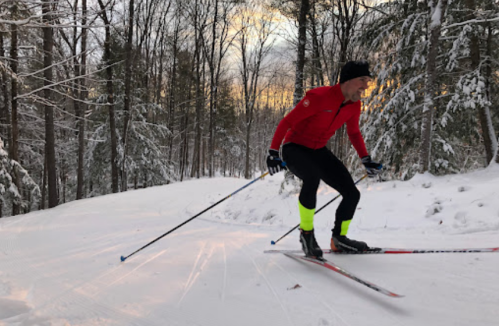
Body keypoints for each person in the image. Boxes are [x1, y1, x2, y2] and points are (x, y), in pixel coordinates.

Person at [266, 60, 382, 258]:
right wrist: (273, 152)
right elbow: (287, 122)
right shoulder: (319, 97)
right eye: (362, 80)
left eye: (368, 81)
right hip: (294, 147)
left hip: (318, 150)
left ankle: (339, 240)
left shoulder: (354, 105)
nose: (366, 86)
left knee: (352, 193)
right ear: (347, 81)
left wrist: (366, 159)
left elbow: (353, 133)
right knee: (312, 178)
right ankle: (307, 234)